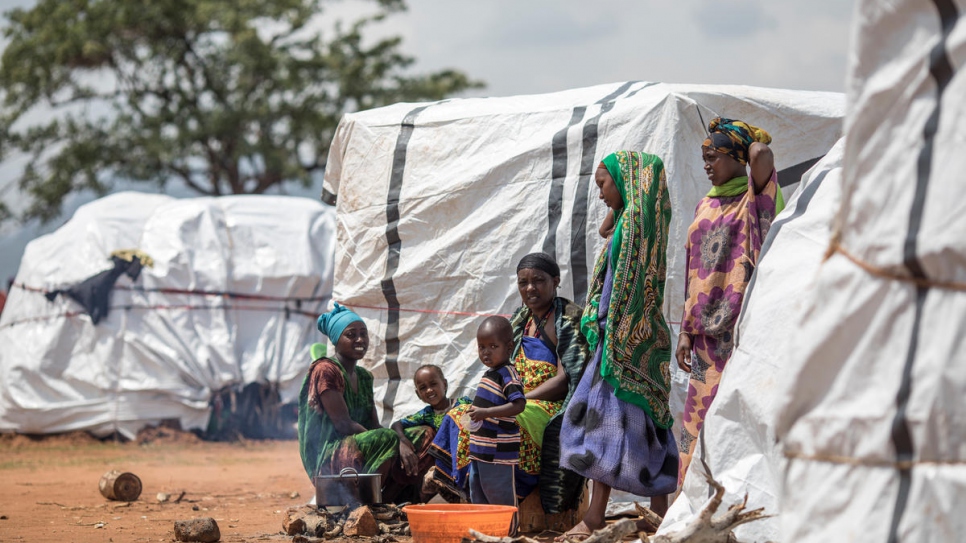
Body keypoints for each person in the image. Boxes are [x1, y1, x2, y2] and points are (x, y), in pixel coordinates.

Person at [557, 151, 678, 540]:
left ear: (624, 183)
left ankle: (597, 517)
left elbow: (619, 286)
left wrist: (599, 324)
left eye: (603, 185)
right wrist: (618, 199)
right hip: (641, 341)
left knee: (600, 424)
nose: (600, 195)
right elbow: (604, 230)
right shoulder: (640, 221)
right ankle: (656, 514)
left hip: (620, 339)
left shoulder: (632, 227)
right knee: (642, 424)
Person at [430, 253, 590, 513]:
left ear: (556, 281)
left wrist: (521, 398)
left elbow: (566, 380)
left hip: (545, 405)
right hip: (512, 397)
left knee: (503, 421)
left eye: (538, 281)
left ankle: (505, 495)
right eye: (523, 282)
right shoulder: (519, 320)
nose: (530, 288)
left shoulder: (569, 319)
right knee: (460, 414)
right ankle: (467, 488)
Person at [675, 117, 784, 485]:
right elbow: (692, 269)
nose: (706, 164)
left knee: (738, 422)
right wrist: (685, 331)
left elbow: (762, 152)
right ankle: (690, 509)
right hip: (706, 335)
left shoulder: (756, 195)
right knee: (697, 425)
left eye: (715, 155)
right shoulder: (704, 204)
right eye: (703, 156)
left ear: (738, 157)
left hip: (743, 331)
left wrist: (743, 136)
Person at [297, 303, 435, 503]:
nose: (360, 339)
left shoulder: (364, 376)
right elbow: (343, 424)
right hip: (330, 456)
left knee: (425, 435)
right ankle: (367, 503)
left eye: (364, 334)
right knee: (386, 438)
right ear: (336, 339)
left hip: (358, 446)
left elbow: (373, 426)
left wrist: (403, 442)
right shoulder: (326, 370)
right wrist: (394, 442)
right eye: (351, 335)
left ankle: (390, 500)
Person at [467, 316, 526, 531]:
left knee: (499, 493)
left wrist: (485, 413)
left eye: (493, 346)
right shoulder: (490, 374)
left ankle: (508, 532)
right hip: (481, 449)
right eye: (481, 347)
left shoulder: (508, 374)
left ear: (509, 346)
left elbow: (519, 405)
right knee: (479, 492)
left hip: (499, 452)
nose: (486, 352)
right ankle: (487, 532)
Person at [390, 365, 471, 497]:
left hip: (467, 458)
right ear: (418, 394)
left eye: (433, 384)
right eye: (423, 388)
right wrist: (403, 440)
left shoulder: (462, 403)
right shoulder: (426, 414)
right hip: (446, 464)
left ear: (444, 384)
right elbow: (396, 424)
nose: (429, 390)